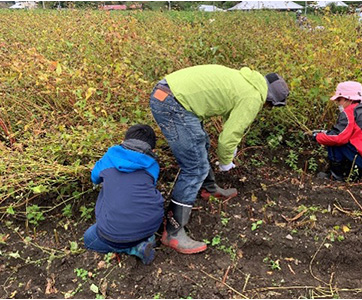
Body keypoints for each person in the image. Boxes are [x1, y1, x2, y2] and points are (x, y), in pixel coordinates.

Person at [150, 65, 289, 254]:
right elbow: (227, 138)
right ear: (270, 100)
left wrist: (231, 144)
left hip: (167, 93)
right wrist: (226, 162)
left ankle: (209, 188)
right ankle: (173, 232)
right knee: (194, 168)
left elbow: (229, 120)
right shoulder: (254, 97)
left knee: (201, 143)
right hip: (173, 103)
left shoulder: (246, 81)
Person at [83, 124, 164, 265]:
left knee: (89, 239)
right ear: (152, 149)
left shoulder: (109, 158)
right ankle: (146, 238)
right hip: (151, 224)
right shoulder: (153, 165)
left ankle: (135, 248)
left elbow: (94, 178)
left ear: (123, 141)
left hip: (113, 233)